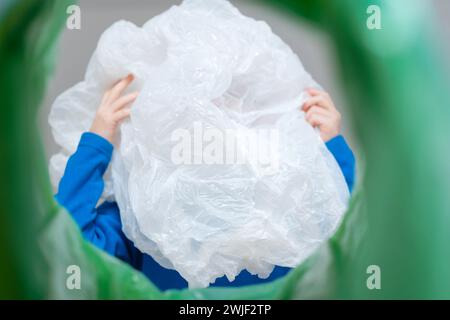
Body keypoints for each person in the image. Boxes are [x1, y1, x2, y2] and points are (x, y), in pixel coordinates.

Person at [55, 74, 355, 290]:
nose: (214, 131)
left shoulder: (286, 216)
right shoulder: (141, 219)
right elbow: (69, 250)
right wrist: (96, 144)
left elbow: (355, 245)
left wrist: (331, 151)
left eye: (230, 115)